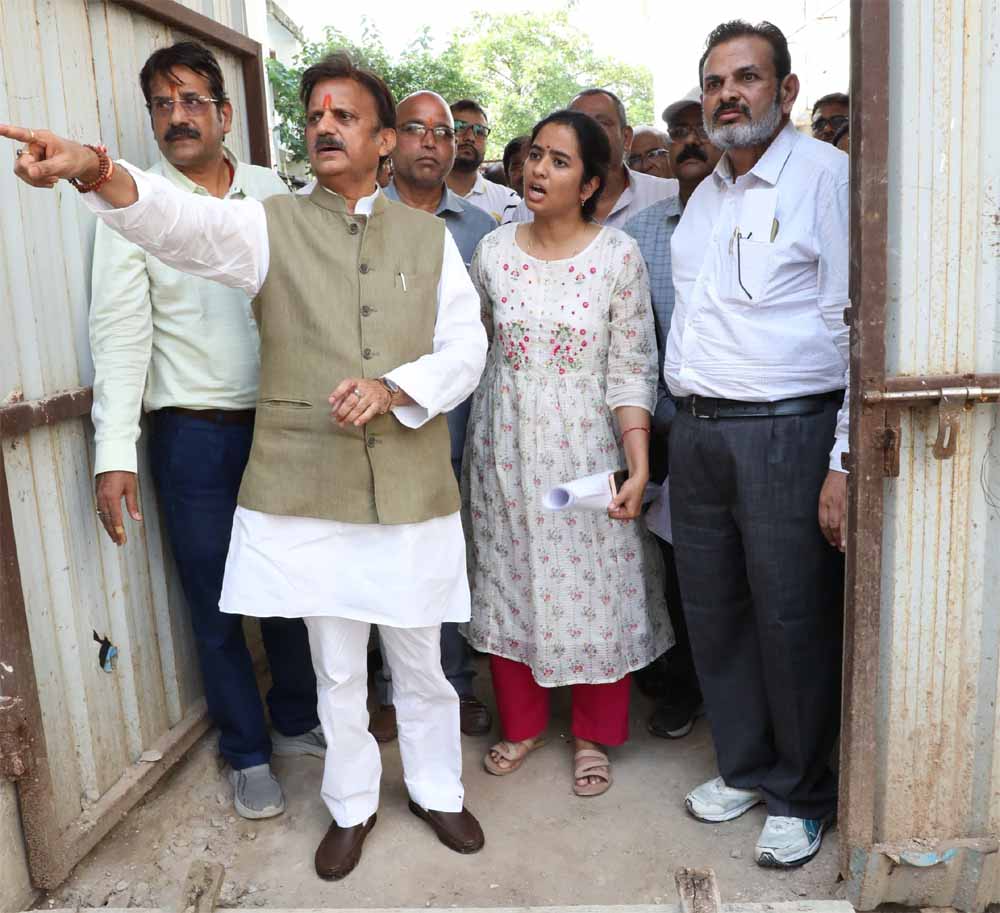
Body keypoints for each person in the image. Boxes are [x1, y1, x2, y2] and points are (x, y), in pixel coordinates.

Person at [4, 50, 488, 880]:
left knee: (419, 655)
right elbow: (180, 225)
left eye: (345, 116)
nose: (325, 126)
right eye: (316, 114)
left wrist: (394, 388)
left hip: (411, 486)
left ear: (383, 141)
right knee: (337, 664)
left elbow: (466, 348)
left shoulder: (430, 238)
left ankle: (438, 789)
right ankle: (352, 804)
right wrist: (95, 169)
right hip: (313, 485)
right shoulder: (270, 223)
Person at [89, 40, 320, 822]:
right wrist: (114, 454)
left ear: (225, 114)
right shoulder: (132, 204)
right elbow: (120, 334)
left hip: (282, 424)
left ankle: (296, 717)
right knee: (215, 597)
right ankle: (247, 751)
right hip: (191, 436)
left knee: (290, 583)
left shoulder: (272, 193)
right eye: (163, 103)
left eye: (192, 101)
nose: (177, 116)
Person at [666, 20, 848, 869]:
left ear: (787, 89)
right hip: (700, 432)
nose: (728, 94)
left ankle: (801, 791)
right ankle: (743, 765)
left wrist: (842, 459)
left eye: (746, 77)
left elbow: (854, 330)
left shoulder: (825, 178)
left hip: (787, 430)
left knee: (791, 616)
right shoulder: (708, 193)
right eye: (715, 82)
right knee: (716, 611)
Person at [464, 110, 673, 797]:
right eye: (535, 156)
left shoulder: (617, 256)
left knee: (596, 582)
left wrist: (638, 462)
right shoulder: (493, 252)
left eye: (559, 161)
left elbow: (632, 366)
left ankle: (593, 733)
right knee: (509, 571)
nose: (538, 170)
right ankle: (522, 723)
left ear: (588, 185)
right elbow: (471, 344)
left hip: (586, 450)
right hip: (504, 444)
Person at [367, 90, 496, 743]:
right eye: (415, 129)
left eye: (442, 132)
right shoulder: (361, 216)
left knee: (447, 563)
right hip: (376, 427)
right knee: (381, 562)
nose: (431, 142)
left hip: (458, 427)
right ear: (390, 141)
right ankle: (389, 689)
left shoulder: (481, 229)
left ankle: (455, 682)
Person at [622, 87, 723, 741]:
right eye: (677, 130)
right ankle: (682, 686)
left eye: (699, 128)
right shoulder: (640, 235)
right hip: (663, 427)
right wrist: (658, 418)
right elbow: (633, 342)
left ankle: (733, 692)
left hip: (739, 421)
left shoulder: (743, 218)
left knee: (733, 567)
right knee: (674, 567)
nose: (689, 140)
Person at [510, 89, 677, 227]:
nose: (589, 133)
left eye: (602, 123)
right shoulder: (529, 211)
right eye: (578, 126)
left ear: (626, 138)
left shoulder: (669, 195)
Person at [446, 99, 521, 224]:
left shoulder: (507, 201)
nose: (470, 137)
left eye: (480, 131)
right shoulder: (418, 193)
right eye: (459, 127)